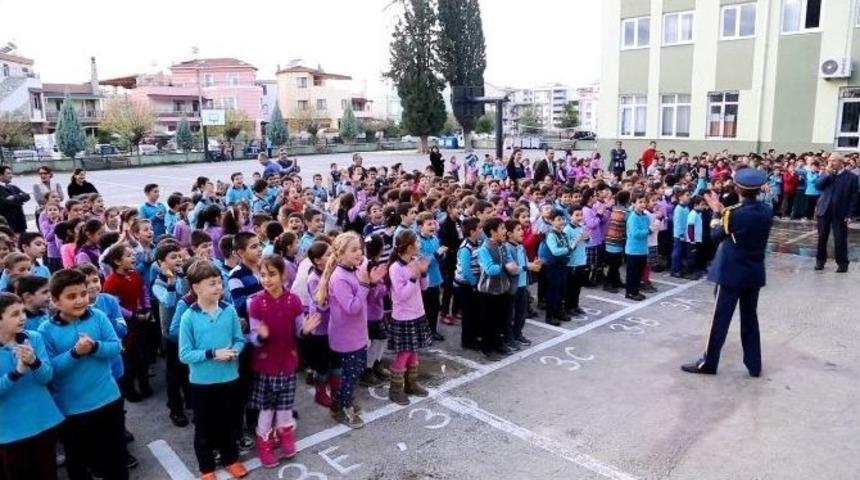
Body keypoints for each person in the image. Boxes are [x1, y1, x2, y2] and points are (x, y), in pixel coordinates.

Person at [681, 168, 772, 377]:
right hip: (753, 272)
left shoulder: (734, 213)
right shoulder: (766, 210)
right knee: (750, 319)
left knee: (719, 321)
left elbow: (715, 234)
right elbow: (742, 225)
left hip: (731, 272)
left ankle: (709, 363)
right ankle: (754, 365)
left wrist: (716, 212)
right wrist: (724, 211)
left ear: (738, 189)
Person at [39, 269, 129, 480]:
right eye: (71, 296)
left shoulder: (97, 316)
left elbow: (115, 347)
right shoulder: (45, 331)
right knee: (79, 462)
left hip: (108, 399)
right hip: (74, 409)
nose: (80, 300)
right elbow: (50, 371)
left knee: (115, 457)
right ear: (55, 301)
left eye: (83, 294)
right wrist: (75, 353)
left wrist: (95, 347)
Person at [179, 260, 248, 480]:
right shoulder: (189, 317)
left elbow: (239, 339)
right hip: (202, 383)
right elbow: (184, 354)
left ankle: (231, 459)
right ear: (196, 288)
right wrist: (213, 353)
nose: (218, 287)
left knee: (229, 422)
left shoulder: (228, 311)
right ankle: (206, 468)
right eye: (212, 284)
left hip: (229, 378)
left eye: (219, 282)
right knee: (204, 427)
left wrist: (235, 350)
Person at [248, 255, 319, 467]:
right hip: (265, 365)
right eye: (262, 275)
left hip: (288, 362)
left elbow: (299, 330)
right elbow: (253, 336)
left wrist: (305, 331)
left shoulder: (293, 301)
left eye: (272, 274)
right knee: (267, 408)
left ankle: (285, 433)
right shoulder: (256, 303)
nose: (267, 280)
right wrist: (260, 335)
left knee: (285, 405)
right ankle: (264, 441)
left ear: (283, 275)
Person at [0, 292, 64, 480]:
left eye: (22, 312)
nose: (22, 318)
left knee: (48, 473)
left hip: (43, 420)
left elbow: (47, 377)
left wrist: (34, 362)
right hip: (11, 431)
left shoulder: (33, 337)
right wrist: (17, 372)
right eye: (14, 314)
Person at [387, 230, 432, 405]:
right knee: (404, 352)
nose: (419, 245)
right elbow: (401, 295)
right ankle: (395, 389)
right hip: (403, 316)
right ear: (409, 247)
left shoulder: (414, 261)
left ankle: (411, 384)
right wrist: (413, 276)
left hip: (417, 313)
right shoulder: (395, 268)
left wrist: (424, 273)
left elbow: (425, 287)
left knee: (414, 350)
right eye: (417, 242)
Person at [814, 154, 859, 273]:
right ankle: (820, 261)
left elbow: (854, 198)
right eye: (829, 160)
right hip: (824, 210)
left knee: (840, 238)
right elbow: (818, 186)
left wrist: (850, 214)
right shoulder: (827, 174)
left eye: (833, 161)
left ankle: (842, 263)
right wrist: (827, 174)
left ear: (841, 162)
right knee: (822, 237)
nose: (830, 163)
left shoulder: (851, 177)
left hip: (840, 212)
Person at [0, 166, 30, 234]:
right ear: (1, 175)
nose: (11, 176)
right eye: (8, 173)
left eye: (11, 173)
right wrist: (20, 200)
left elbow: (27, 196)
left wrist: (14, 197)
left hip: (20, 222)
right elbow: (4, 203)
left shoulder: (13, 187)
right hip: (7, 223)